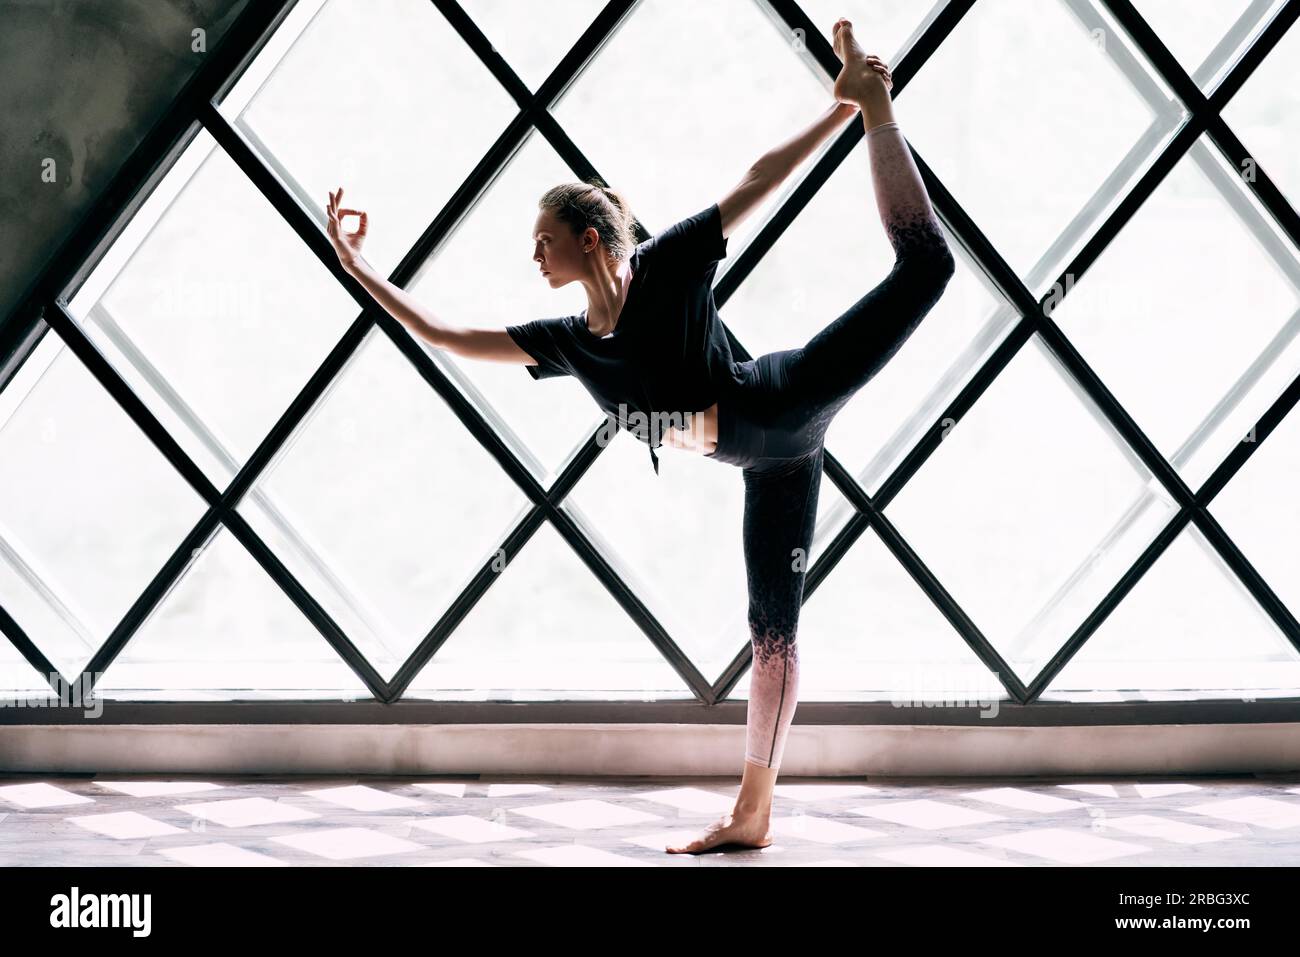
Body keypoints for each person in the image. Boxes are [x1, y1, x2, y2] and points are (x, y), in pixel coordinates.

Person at [325, 18, 955, 854]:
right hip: (772, 467)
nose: (534, 256)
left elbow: (761, 177)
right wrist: (360, 270)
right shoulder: (569, 343)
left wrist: (841, 110)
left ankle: (877, 101)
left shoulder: (667, 267)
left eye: (543, 241)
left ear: (589, 241)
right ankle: (753, 814)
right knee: (772, 634)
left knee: (928, 268)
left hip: (789, 398)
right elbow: (450, 335)